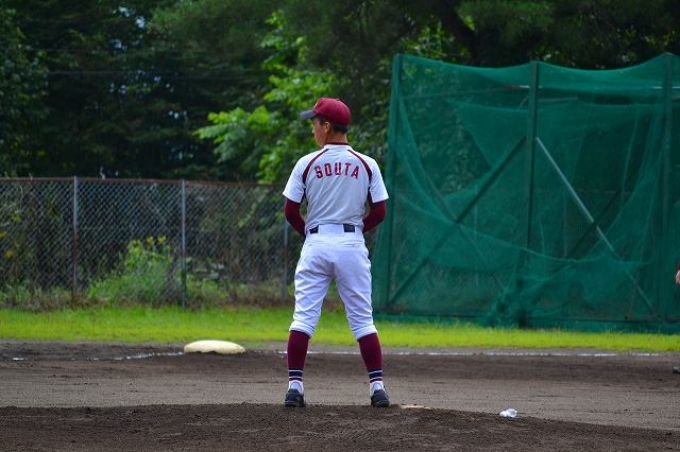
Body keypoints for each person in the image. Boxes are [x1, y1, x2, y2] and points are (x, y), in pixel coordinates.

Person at [281, 97, 391, 408]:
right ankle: (378, 389)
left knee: (303, 319)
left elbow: (290, 211)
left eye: (315, 123)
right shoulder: (367, 163)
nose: (313, 129)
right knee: (363, 321)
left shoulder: (307, 163)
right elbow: (379, 212)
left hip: (316, 243)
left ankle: (294, 388)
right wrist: (354, 231)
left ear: (327, 127)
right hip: (351, 244)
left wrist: (310, 234)